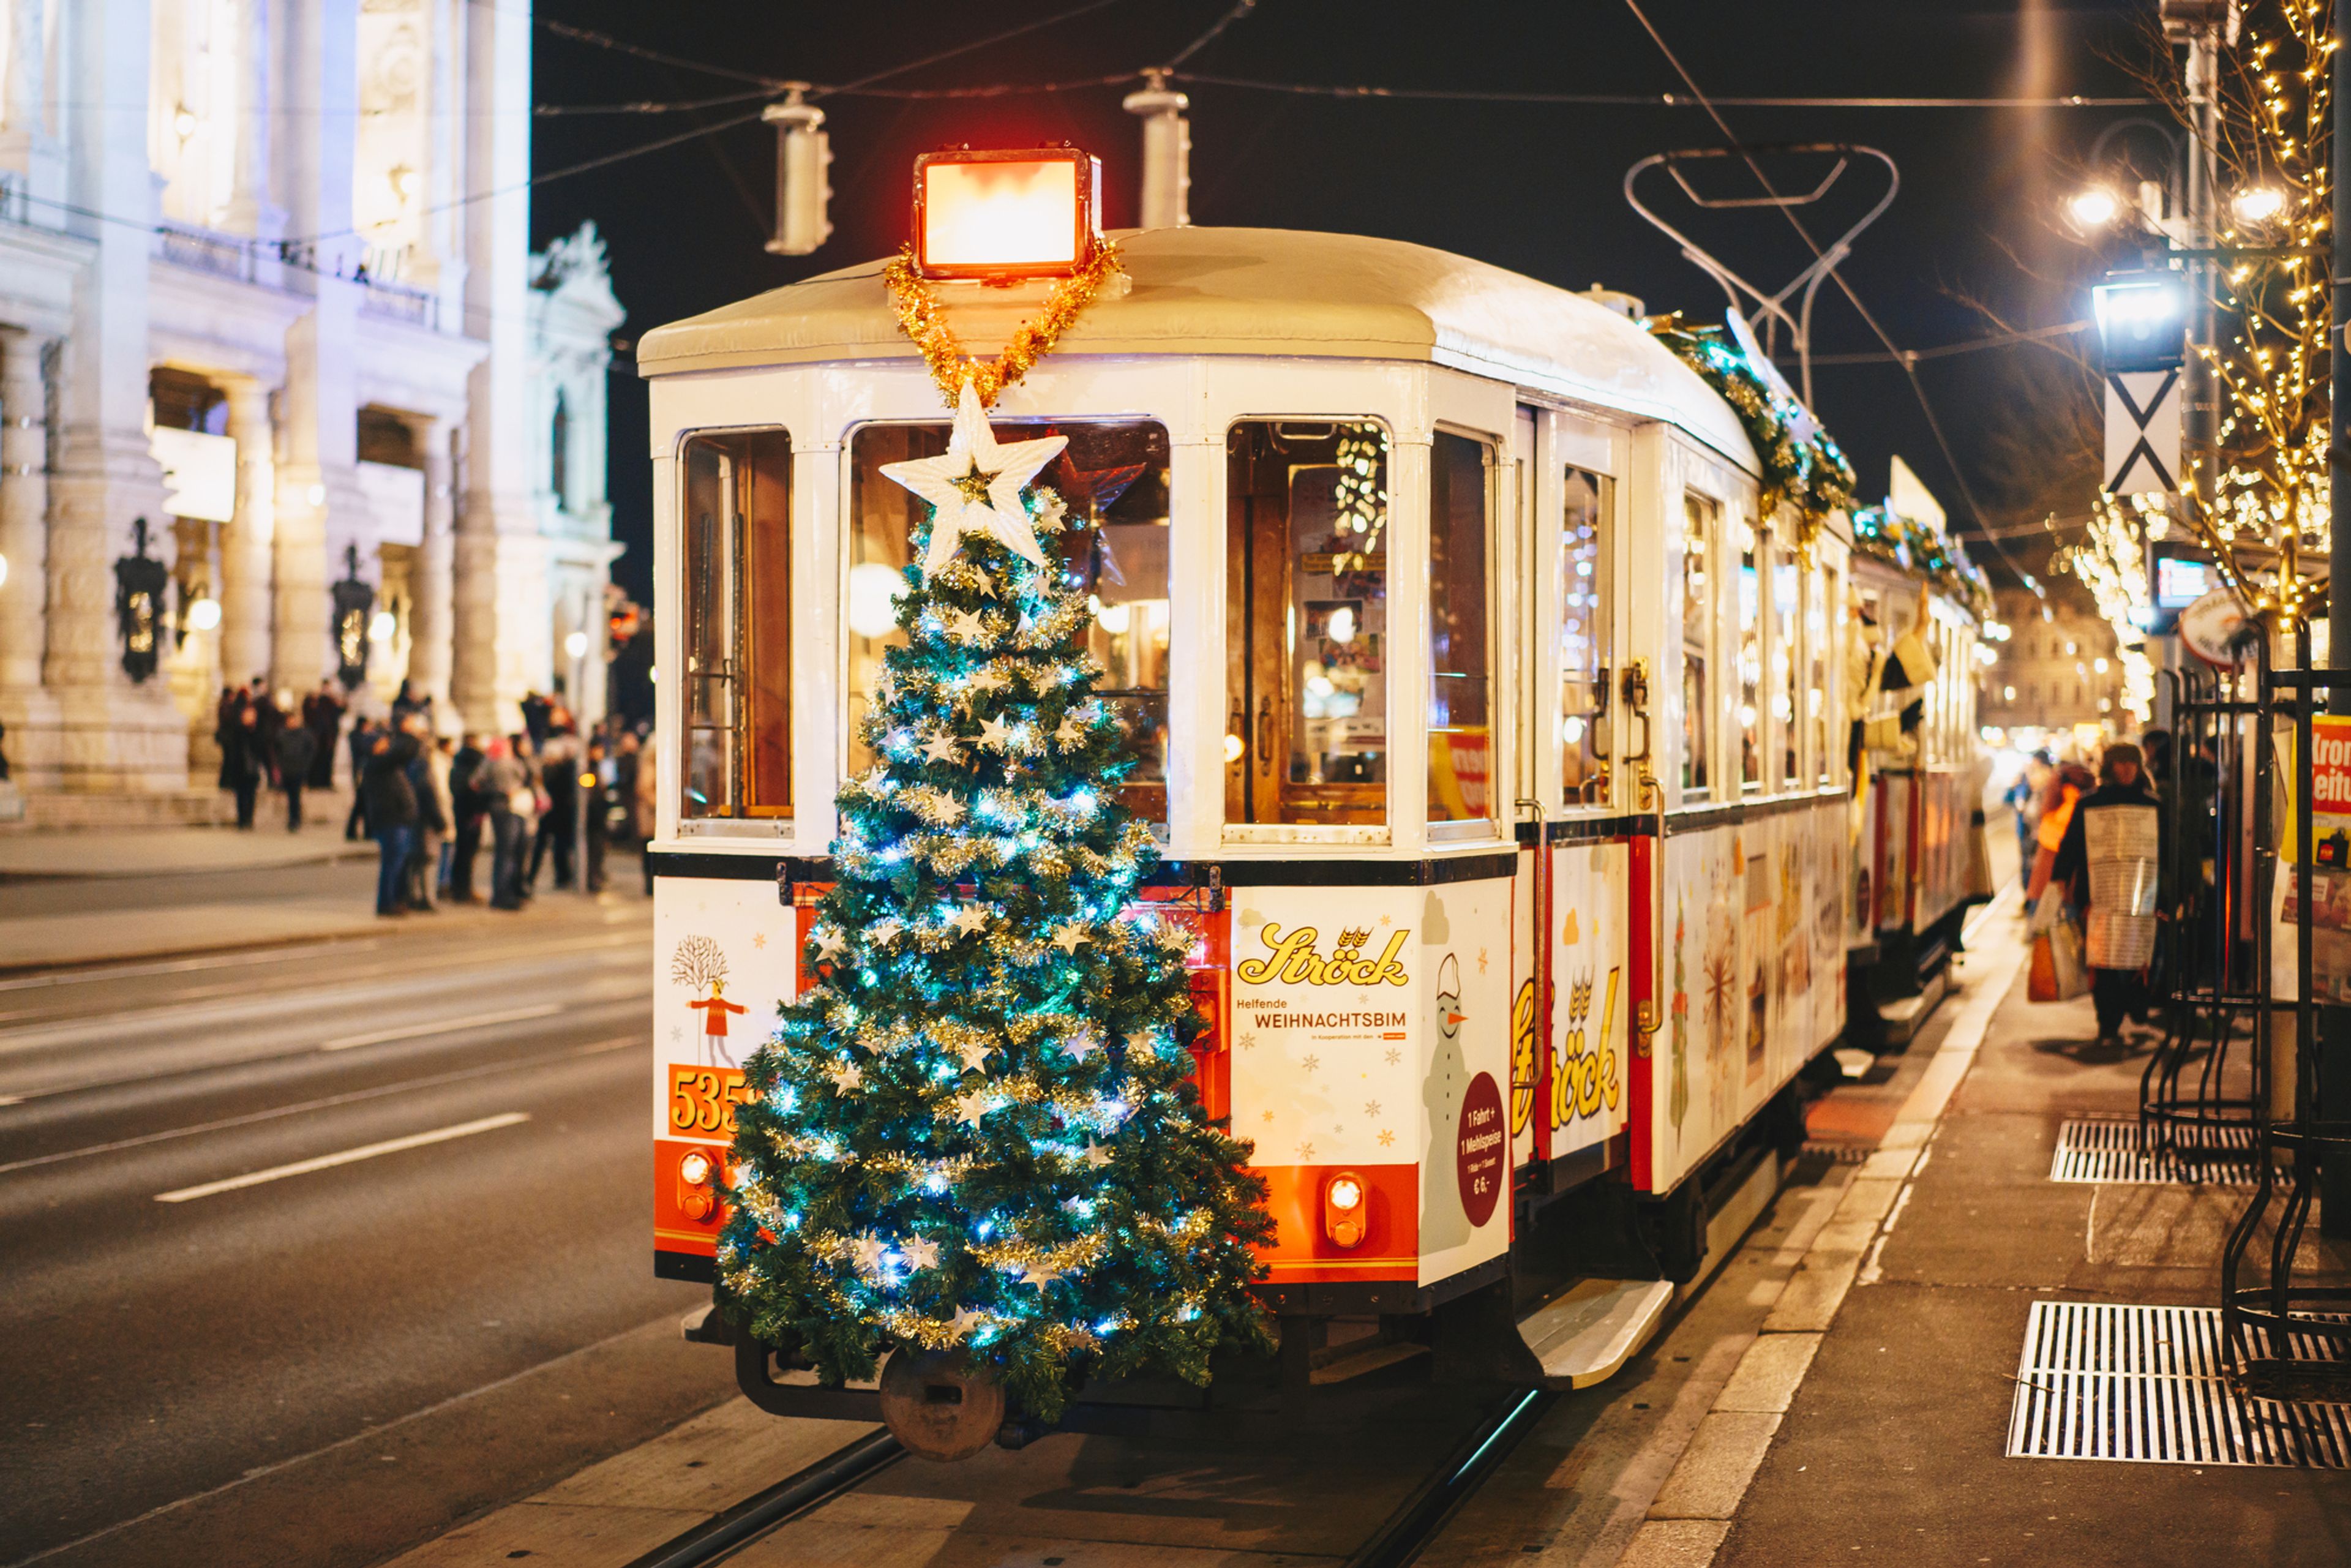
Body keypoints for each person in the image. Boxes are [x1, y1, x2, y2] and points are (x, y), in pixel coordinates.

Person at [2042, 741, 2164, 1048]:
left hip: (2142, 896)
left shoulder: (2153, 804)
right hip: (2099, 896)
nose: (2126, 769)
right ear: (2110, 768)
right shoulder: (2089, 803)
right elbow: (2071, 844)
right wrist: (2059, 878)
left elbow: (2167, 849)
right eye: (2120, 764)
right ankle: (2108, 1021)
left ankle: (2135, 1007)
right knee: (2103, 958)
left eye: (2131, 763)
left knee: (2137, 954)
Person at [358, 722, 421, 917]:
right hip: (391, 820)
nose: (387, 744)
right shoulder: (378, 764)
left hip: (397, 820)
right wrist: (410, 734)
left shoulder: (382, 765)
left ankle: (396, 900)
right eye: (382, 742)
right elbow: (404, 753)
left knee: (397, 862)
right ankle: (387, 903)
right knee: (392, 864)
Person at [478, 736, 530, 910]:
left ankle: (505, 892)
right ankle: (504, 894)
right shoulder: (504, 763)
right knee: (508, 852)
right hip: (508, 809)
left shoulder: (489, 763)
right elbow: (525, 776)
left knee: (508, 852)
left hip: (505, 808)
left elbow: (477, 783)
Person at [404, 716, 448, 912]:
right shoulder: (424, 769)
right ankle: (427, 899)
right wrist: (441, 821)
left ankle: (413, 895)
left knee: (415, 861)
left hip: (414, 819)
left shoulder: (410, 766)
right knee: (428, 861)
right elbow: (430, 797)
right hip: (425, 822)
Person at [531, 725, 581, 891]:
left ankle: (531, 877)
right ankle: (561, 876)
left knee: (544, 846)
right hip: (557, 814)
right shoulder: (560, 770)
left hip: (548, 814)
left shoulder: (544, 769)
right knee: (558, 846)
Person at [448, 733, 487, 902]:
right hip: (472, 814)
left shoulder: (456, 765)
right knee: (468, 853)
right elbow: (478, 790)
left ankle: (457, 888)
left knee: (461, 852)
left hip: (460, 811)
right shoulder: (476, 765)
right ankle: (465, 890)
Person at [217, 697, 264, 829]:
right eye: (247, 715)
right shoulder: (237, 731)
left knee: (251, 795)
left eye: (252, 715)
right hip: (240, 767)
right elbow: (230, 747)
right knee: (241, 795)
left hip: (253, 768)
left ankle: (249, 819)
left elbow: (261, 749)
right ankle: (242, 819)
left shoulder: (257, 732)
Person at [272, 722, 318, 831]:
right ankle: (292, 819)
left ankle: (295, 820)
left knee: (295, 796)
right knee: (290, 796)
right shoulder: (282, 734)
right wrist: (280, 764)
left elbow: (311, 750)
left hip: (298, 770)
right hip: (286, 770)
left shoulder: (304, 734)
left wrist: (305, 764)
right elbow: (276, 750)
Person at [302, 681, 344, 789]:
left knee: (327, 760)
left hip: (328, 737)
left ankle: (325, 782)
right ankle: (315, 782)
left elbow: (340, 711)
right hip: (319, 737)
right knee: (316, 760)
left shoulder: (331, 701)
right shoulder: (316, 702)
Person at [345, 715, 379, 840]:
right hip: (362, 774)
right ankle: (360, 831)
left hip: (364, 774)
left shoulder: (362, 737)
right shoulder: (358, 737)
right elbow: (366, 751)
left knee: (363, 804)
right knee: (362, 803)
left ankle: (365, 831)